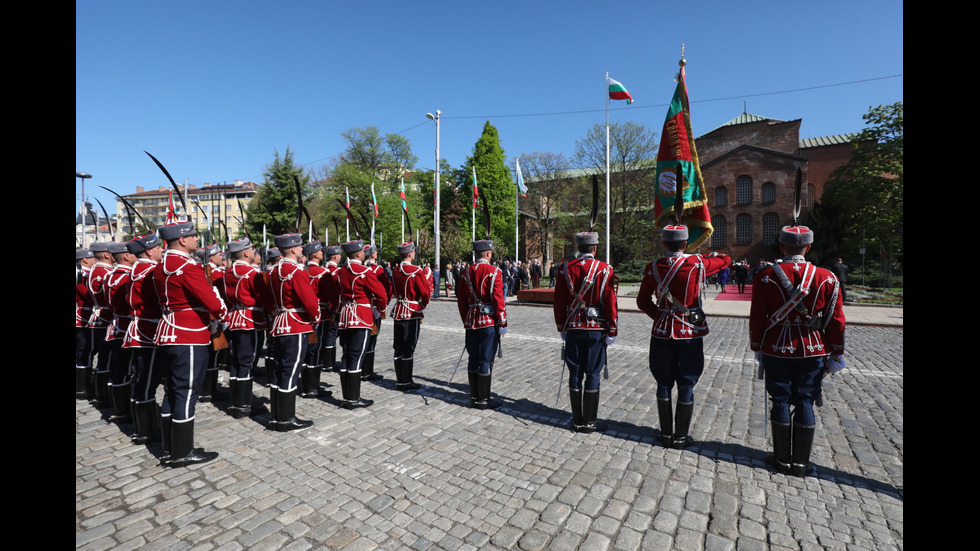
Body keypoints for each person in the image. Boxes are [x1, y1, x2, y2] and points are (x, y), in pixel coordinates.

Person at [750, 225, 845, 477]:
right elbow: (836, 320)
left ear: (781, 246)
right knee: (805, 400)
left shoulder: (765, 275)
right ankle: (801, 463)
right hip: (813, 347)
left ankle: (781, 459)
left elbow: (757, 317)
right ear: (809, 247)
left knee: (779, 399)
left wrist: (757, 346)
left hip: (776, 347)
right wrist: (837, 351)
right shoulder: (826, 277)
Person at [636, 225, 731, 449]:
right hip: (689, 330)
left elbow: (642, 301)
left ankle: (666, 434)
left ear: (663, 244)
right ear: (685, 244)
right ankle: (680, 436)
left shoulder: (653, 267)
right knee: (687, 383)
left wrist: (659, 316)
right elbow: (725, 259)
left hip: (661, 331)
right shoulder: (696, 264)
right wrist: (699, 254)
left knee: (663, 382)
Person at [153, 221, 227, 467]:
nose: (197, 239)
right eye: (194, 236)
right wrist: (221, 314)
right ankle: (183, 451)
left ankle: (169, 444)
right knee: (186, 391)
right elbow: (212, 302)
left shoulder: (161, 264)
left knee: (172, 390)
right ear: (183, 240)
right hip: (189, 332)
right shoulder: (186, 265)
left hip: (168, 331)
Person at [553, 232, 618, 432]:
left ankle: (577, 419)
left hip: (573, 327)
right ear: (595, 249)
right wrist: (612, 328)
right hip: (596, 329)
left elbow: (559, 302)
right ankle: (590, 421)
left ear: (578, 247)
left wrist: (561, 326)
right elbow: (609, 302)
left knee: (575, 371)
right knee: (592, 372)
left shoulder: (564, 269)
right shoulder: (605, 269)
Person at [268, 233, 320, 431]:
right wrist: (315, 318)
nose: (302, 249)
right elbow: (309, 301)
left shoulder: (274, 271)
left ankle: (277, 415)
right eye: (299, 247)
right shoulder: (296, 272)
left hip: (280, 321)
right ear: (292, 249)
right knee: (291, 372)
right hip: (296, 323)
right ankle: (286, 419)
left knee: (280, 369)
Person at [223, 237, 275, 419]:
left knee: (237, 362)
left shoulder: (228, 272)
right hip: (250, 320)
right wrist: (273, 312)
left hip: (235, 319)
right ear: (246, 253)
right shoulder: (252, 274)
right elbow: (264, 297)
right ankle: (243, 405)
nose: (254, 252)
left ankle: (235, 403)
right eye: (252, 250)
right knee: (247, 362)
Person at [334, 240, 388, 409]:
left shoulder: (340, 271)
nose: (365, 253)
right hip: (361, 316)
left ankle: (346, 396)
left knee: (346, 356)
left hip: (345, 316)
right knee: (357, 357)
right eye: (363, 251)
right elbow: (382, 295)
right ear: (358, 254)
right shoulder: (364, 271)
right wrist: (378, 311)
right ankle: (353, 399)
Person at [124, 233, 165, 445]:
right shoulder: (149, 271)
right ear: (149, 251)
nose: (161, 251)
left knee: (142, 378)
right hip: (148, 330)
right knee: (146, 381)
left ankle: (142, 425)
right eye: (158, 248)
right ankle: (146, 430)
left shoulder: (136, 269)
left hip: (140, 328)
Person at [456, 239, 507, 409]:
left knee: (473, 358)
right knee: (485, 359)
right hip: (488, 322)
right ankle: (484, 400)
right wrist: (502, 321)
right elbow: (499, 299)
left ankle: (474, 397)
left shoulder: (465, 272)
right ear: (488, 253)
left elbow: (461, 301)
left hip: (471, 321)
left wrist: (466, 319)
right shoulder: (494, 272)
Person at [390, 242, 432, 391]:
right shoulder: (415, 270)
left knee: (398, 346)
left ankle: (400, 380)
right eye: (413, 252)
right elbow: (425, 293)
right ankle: (406, 381)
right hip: (411, 311)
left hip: (399, 310)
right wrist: (422, 305)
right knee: (409, 346)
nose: (414, 254)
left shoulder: (395, 270)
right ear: (410, 254)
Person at [104, 241, 136, 423]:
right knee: (125, 369)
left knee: (118, 369)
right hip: (125, 326)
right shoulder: (126, 276)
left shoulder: (112, 275)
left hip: (116, 325)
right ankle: (123, 410)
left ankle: (119, 408)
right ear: (126, 256)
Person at [76, 248, 97, 400]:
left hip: (82, 314)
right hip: (83, 316)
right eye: (93, 258)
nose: (95, 260)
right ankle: (82, 388)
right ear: (85, 260)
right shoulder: (82, 275)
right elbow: (88, 295)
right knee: (85, 352)